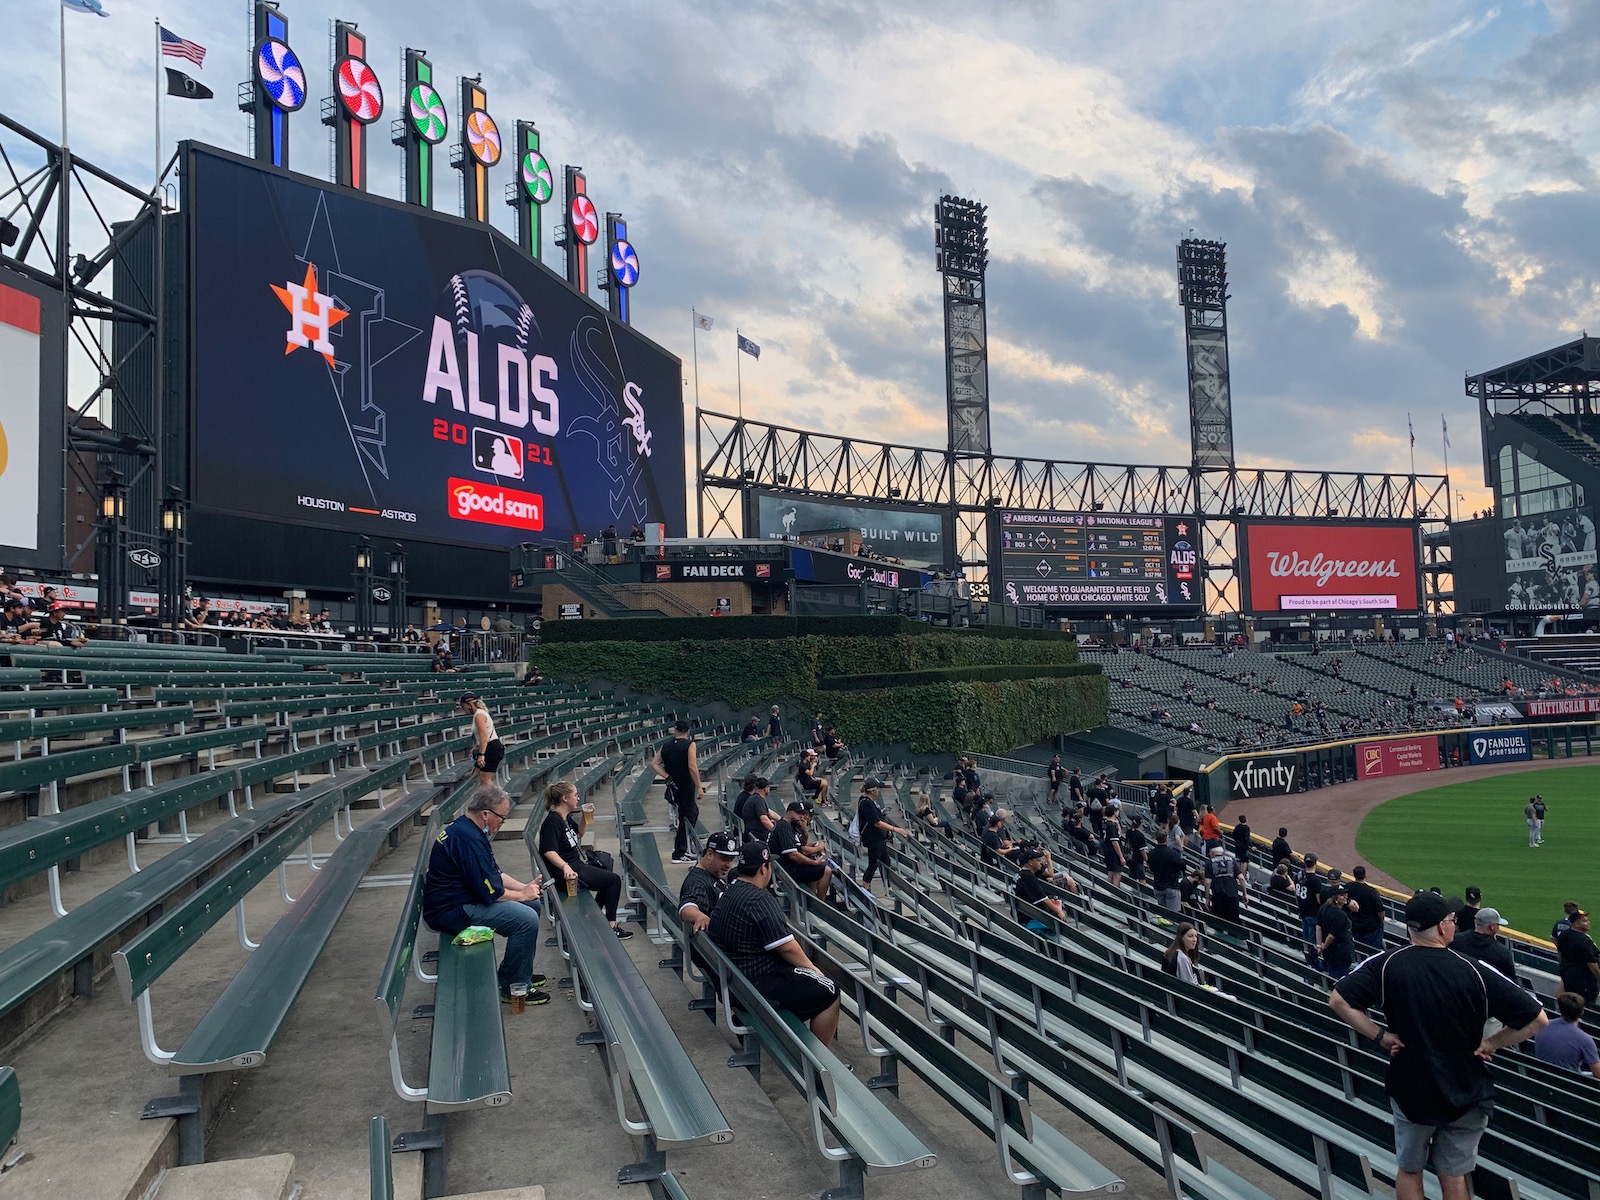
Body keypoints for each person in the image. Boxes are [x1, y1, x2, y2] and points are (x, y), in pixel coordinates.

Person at [1330, 892, 1546, 1200]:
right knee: (1455, 1175)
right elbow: (1538, 1019)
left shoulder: (1387, 963)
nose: (1455, 925)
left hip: (1412, 1087)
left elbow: (1338, 1000)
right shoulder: (1475, 969)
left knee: (1409, 1169)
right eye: (1453, 921)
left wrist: (1380, 1036)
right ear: (1442, 927)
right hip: (1467, 1087)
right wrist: (1492, 1043)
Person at [423, 786, 548, 1005]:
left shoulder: (468, 829)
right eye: (502, 817)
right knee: (526, 919)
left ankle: (518, 974)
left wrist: (525, 888)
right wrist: (521, 895)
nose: (502, 822)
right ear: (485, 814)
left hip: (462, 899)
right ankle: (512, 986)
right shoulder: (468, 839)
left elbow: (494, 873)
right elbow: (490, 892)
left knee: (533, 906)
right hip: (451, 911)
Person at [706, 843, 841, 1042]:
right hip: (756, 986)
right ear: (763, 868)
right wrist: (813, 969)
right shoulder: (759, 898)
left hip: (735, 984)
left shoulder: (729, 891)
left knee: (809, 982)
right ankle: (820, 1064)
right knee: (830, 989)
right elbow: (787, 948)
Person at [536, 780, 631, 938]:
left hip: (576, 866)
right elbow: (549, 851)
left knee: (606, 870)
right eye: (575, 795)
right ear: (565, 798)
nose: (578, 798)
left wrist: (585, 819)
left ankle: (594, 917)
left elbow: (578, 834)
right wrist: (565, 867)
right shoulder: (553, 821)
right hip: (567, 873)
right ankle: (610, 926)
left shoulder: (565, 818)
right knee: (613, 880)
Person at [651, 720, 704, 864]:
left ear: (675, 730)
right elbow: (692, 766)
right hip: (686, 785)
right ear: (687, 731)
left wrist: (667, 776)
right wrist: (699, 786)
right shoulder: (690, 745)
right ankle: (679, 851)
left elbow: (654, 763)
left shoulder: (666, 745)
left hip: (673, 785)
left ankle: (683, 848)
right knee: (690, 815)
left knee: (684, 815)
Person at [677, 831, 741, 932]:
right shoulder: (697, 881)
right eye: (724, 859)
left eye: (731, 860)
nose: (728, 865)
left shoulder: (713, 874)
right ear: (710, 854)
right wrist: (699, 916)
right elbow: (687, 907)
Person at [769, 800, 832, 899]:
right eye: (798, 813)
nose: (801, 817)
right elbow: (793, 855)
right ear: (789, 813)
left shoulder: (790, 826)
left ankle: (812, 901)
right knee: (826, 870)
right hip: (785, 870)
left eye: (803, 814)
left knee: (815, 868)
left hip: (784, 867)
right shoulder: (784, 828)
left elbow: (800, 845)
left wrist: (804, 831)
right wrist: (814, 862)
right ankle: (820, 905)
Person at [854, 777, 906, 891]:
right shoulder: (866, 803)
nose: (879, 790)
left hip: (878, 838)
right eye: (878, 788)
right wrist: (896, 829)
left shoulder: (868, 801)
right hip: (873, 839)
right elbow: (876, 823)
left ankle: (888, 887)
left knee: (886, 862)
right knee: (873, 864)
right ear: (873, 791)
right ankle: (864, 887)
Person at [1533, 993, 1600, 1078]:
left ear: (1559, 1009)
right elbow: (1598, 1074)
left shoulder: (1542, 1025)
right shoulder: (1585, 1039)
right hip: (1569, 1085)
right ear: (1582, 1012)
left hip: (1542, 1077)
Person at [1450, 908, 1516, 980]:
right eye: (1497, 925)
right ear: (1492, 927)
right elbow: (1510, 981)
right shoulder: (1502, 952)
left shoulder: (1455, 940)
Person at [458, 693, 503, 786]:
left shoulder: (479, 715)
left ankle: (499, 799)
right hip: (490, 746)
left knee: (485, 780)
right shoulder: (479, 713)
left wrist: (481, 755)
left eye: (463, 706)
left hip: (491, 748)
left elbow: (483, 736)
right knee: (480, 777)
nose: (463, 709)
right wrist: (476, 747)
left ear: (469, 704)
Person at [1014, 848, 1062, 932]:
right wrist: (1059, 912)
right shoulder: (1028, 877)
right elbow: (1044, 900)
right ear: (1030, 862)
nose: (1041, 862)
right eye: (1038, 860)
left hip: (1023, 912)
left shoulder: (1021, 873)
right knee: (1060, 916)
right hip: (1029, 916)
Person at [1557, 910, 1599, 1004]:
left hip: (1568, 976)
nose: (1588, 923)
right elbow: (1592, 964)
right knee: (1585, 1005)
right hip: (1584, 981)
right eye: (1584, 921)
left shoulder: (1564, 934)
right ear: (1576, 924)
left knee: (1570, 1002)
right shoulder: (1584, 940)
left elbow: (1560, 955)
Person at [1316, 884, 1356, 980]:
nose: (1346, 896)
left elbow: (1318, 927)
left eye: (1346, 894)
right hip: (1340, 953)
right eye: (1342, 895)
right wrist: (1323, 947)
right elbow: (1332, 936)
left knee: (1333, 975)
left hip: (1329, 952)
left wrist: (1319, 946)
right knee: (1338, 979)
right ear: (1335, 898)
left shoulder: (1324, 908)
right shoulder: (1340, 915)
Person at [1204, 841, 1245, 924]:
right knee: (1234, 922)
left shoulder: (1209, 863)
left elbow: (1207, 882)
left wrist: (1207, 898)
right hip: (1233, 895)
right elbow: (1241, 878)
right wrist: (1244, 893)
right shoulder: (1232, 860)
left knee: (1219, 923)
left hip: (1218, 896)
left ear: (1212, 853)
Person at [1346, 865, 1386, 951]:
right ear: (1364, 875)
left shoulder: (1348, 887)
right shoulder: (1371, 891)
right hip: (1370, 928)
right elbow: (1380, 911)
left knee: (1359, 949)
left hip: (1355, 925)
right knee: (1372, 951)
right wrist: (1381, 921)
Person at [1296, 854, 1325, 966]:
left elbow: (1297, 896)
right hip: (1313, 914)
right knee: (1313, 943)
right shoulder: (1315, 880)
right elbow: (1319, 900)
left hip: (1303, 912)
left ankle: (1309, 962)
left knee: (1306, 941)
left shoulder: (1299, 876)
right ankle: (1313, 966)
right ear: (1315, 864)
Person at [1148, 828, 1184, 913]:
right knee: (1172, 915)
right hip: (1171, 887)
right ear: (1166, 838)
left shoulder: (1151, 853)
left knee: (1162, 914)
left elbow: (1151, 868)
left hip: (1158, 887)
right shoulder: (1172, 853)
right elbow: (1183, 866)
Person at [734, 775, 775, 842]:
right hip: (751, 834)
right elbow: (764, 820)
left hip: (747, 831)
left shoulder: (745, 796)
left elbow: (768, 811)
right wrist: (776, 831)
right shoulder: (755, 799)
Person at [1102, 819, 1127, 887]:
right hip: (1113, 853)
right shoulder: (1111, 826)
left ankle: (1110, 892)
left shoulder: (1105, 823)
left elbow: (1119, 835)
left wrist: (1118, 824)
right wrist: (1121, 857)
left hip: (1107, 851)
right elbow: (1115, 842)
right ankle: (1115, 894)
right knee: (1116, 874)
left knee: (1111, 872)